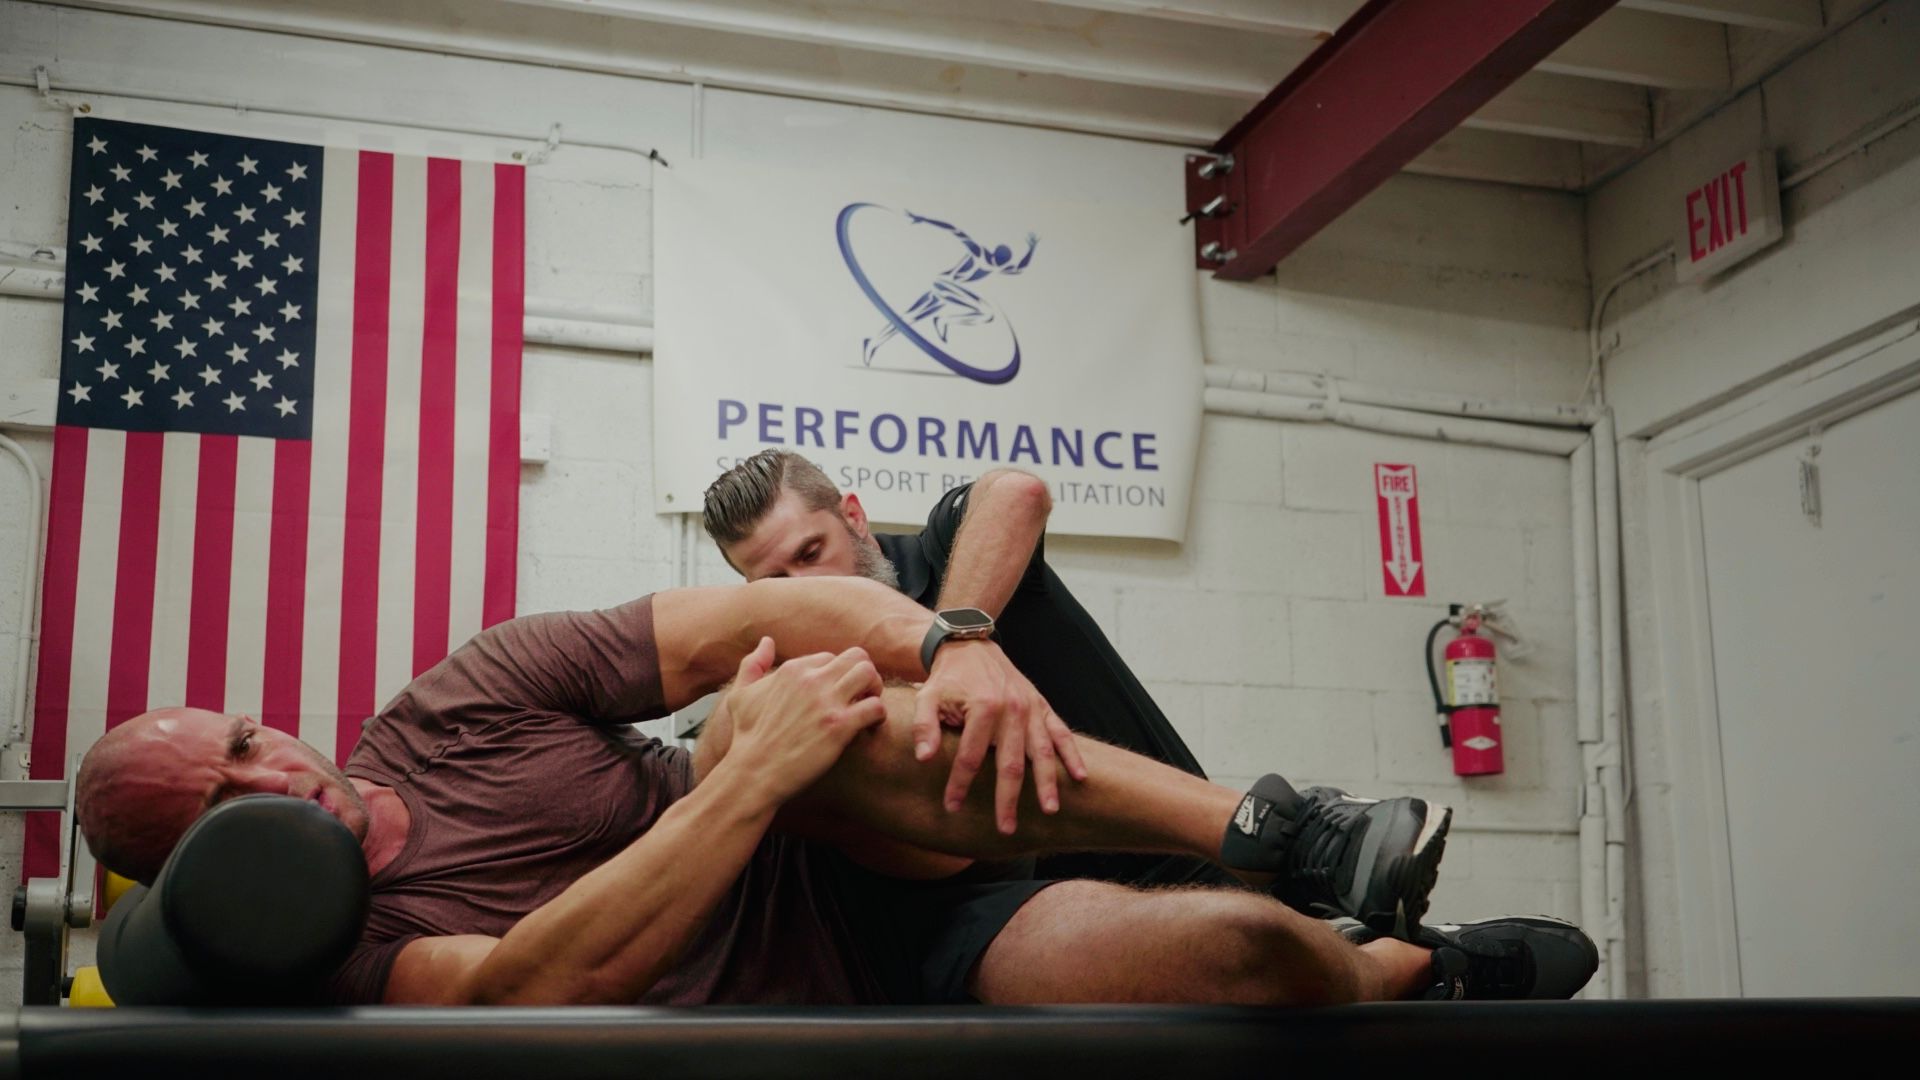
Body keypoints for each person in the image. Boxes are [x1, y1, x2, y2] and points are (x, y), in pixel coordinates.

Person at [76, 579, 1596, 1007]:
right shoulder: (334, 957)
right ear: (205, 879)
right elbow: (538, 987)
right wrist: (742, 788)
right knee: (1244, 962)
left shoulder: (459, 702)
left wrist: (955, 639)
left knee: (785, 715)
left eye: (250, 739)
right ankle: (1420, 975)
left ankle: (1291, 831)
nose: (276, 776)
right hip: (891, 972)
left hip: (871, 832)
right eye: (224, 806)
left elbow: (799, 619)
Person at [701, 450, 1450, 912]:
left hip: (1192, 867)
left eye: (812, 550)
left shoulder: (946, 554)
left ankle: (1429, 958)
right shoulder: (799, 677)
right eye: (776, 579)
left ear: (855, 517)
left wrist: (958, 638)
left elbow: (1017, 492)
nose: (807, 583)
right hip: (1043, 930)